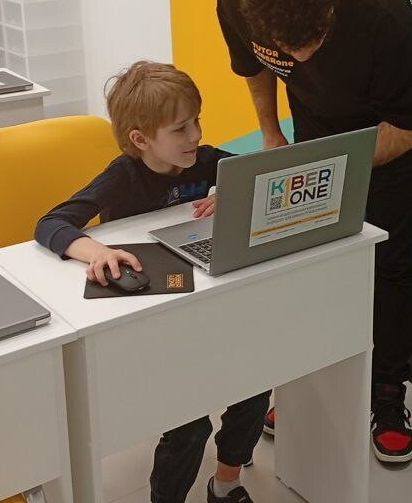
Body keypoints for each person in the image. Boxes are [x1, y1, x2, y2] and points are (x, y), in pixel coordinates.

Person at [217, 0, 412, 464]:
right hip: (315, 130)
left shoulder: (382, 12)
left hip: (387, 134)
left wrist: (330, 169)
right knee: (311, 259)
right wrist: (272, 136)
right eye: (288, 46)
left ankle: (388, 395)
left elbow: (409, 129)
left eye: (313, 40)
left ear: (332, 2)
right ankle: (306, 386)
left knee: (392, 263)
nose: (301, 55)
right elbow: (253, 67)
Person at [35, 61, 268, 503]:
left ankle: (226, 484)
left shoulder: (206, 160)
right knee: (189, 422)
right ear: (141, 139)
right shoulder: (122, 176)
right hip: (148, 317)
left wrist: (228, 190)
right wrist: (96, 251)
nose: (196, 135)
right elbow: (51, 224)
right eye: (180, 128)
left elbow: (257, 175)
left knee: (255, 386)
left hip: (202, 300)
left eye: (196, 121)